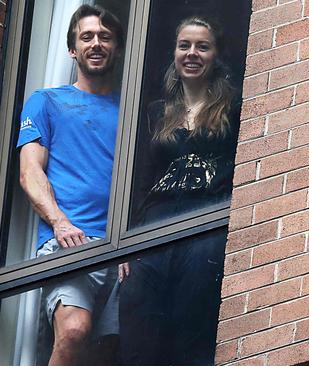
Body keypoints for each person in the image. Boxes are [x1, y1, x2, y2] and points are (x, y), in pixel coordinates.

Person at [119, 16, 240, 366]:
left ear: (216, 55)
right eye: (184, 45)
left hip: (205, 218)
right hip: (155, 223)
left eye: (202, 46)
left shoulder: (233, 107)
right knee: (141, 318)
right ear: (174, 52)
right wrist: (124, 242)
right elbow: (141, 179)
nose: (192, 53)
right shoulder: (157, 112)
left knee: (193, 321)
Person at [16, 5, 124, 366]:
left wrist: (132, 242)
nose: (96, 43)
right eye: (87, 36)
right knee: (75, 330)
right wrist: (60, 221)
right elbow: (29, 172)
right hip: (70, 240)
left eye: (105, 37)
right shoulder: (47, 101)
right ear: (72, 50)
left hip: (120, 249)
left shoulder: (131, 111)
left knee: (112, 352)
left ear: (119, 48)